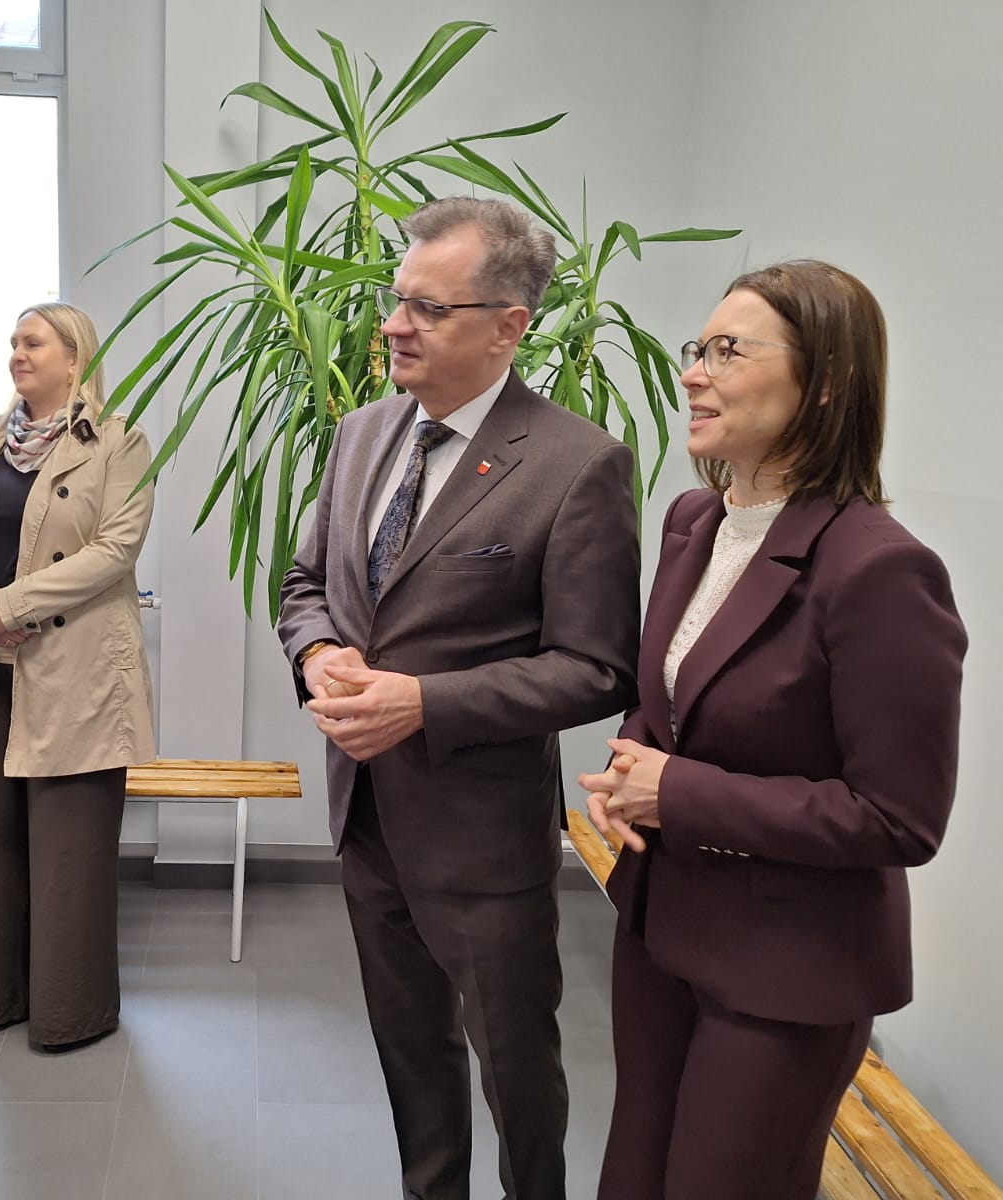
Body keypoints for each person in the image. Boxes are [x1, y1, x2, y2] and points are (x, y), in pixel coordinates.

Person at [577, 261, 967, 1200]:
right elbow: (671, 695)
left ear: (825, 383)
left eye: (728, 351)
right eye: (697, 348)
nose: (693, 373)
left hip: (791, 969)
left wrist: (676, 792)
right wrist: (632, 762)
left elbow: (898, 818)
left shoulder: (879, 569)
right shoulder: (696, 521)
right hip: (662, 927)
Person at [277, 196, 640, 1200]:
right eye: (398, 301)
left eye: (429, 310)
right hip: (366, 818)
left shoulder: (576, 465)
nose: (395, 325)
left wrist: (425, 703)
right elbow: (304, 585)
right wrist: (319, 654)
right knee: (410, 1054)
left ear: (507, 326)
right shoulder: (360, 435)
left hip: (481, 840)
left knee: (515, 1068)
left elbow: (597, 667)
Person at [0, 302, 154, 1051]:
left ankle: (68, 1014)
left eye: (33, 342)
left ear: (75, 357)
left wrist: (12, 604)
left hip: (76, 673)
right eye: (13, 342)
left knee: (68, 855)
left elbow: (115, 549)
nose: (17, 353)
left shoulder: (119, 441)